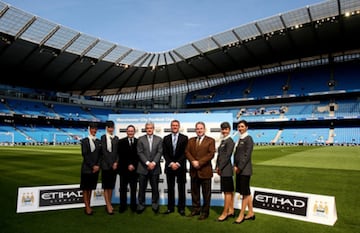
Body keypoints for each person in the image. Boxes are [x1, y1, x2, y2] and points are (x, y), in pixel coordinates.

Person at [185, 121, 216, 220]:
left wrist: (200, 162)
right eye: (197, 129)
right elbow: (187, 152)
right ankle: (196, 209)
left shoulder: (210, 140)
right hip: (194, 171)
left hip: (205, 171)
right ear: (195, 130)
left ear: (204, 129)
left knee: (206, 194)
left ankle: (205, 212)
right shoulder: (190, 140)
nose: (199, 130)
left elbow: (211, 154)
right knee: (195, 192)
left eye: (201, 128)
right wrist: (193, 161)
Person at [162, 120, 188, 216]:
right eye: (173, 125)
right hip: (169, 167)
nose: (175, 127)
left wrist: (177, 163)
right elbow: (164, 153)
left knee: (181, 188)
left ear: (179, 126)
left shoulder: (184, 138)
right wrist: (171, 163)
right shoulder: (166, 138)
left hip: (180, 167)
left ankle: (181, 208)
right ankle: (170, 208)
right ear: (170, 127)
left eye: (176, 125)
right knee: (170, 188)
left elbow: (185, 153)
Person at [136, 121, 163, 214]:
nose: (149, 130)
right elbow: (139, 152)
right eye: (147, 128)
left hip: (155, 169)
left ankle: (155, 205)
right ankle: (141, 205)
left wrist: (154, 163)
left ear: (153, 129)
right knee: (142, 188)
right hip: (143, 168)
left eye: (151, 128)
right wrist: (148, 163)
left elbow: (160, 152)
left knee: (155, 188)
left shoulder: (159, 139)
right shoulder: (140, 139)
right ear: (145, 129)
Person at [233, 120, 255, 224]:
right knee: (246, 191)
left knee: (244, 193)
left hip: (244, 170)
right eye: (239, 127)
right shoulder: (240, 138)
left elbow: (247, 156)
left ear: (246, 127)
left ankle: (242, 214)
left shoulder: (248, 138)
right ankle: (251, 213)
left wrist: (239, 167)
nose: (240, 128)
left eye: (242, 126)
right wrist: (235, 165)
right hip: (239, 169)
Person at [215, 122, 235, 222]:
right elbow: (219, 156)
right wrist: (216, 166)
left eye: (226, 129)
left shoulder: (230, 141)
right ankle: (231, 210)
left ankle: (225, 213)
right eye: (222, 129)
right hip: (223, 169)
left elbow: (227, 157)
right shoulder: (223, 141)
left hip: (226, 170)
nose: (224, 131)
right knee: (229, 191)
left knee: (227, 192)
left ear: (229, 129)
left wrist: (220, 167)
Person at [80, 122, 101, 215]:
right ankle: (87, 207)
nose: (94, 130)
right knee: (85, 189)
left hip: (96, 169)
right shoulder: (84, 141)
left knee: (91, 188)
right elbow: (85, 155)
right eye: (92, 129)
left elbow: (100, 155)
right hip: (87, 168)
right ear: (89, 129)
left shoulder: (98, 141)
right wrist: (93, 165)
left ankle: (89, 205)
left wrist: (98, 165)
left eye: (95, 129)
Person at [118, 125, 139, 213]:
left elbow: (139, 156)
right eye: (129, 131)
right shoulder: (121, 142)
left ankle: (133, 206)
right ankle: (123, 206)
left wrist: (133, 165)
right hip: (124, 170)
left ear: (134, 132)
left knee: (133, 189)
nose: (130, 132)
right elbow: (120, 156)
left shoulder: (138, 142)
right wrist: (128, 165)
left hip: (134, 170)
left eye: (132, 131)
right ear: (126, 132)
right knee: (123, 189)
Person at [100, 120, 119, 215]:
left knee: (111, 186)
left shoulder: (116, 138)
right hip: (106, 166)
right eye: (109, 127)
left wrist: (116, 162)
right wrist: (111, 163)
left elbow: (118, 153)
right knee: (106, 186)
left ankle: (109, 203)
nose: (111, 129)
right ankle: (108, 205)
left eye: (112, 127)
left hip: (114, 166)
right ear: (106, 128)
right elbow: (104, 152)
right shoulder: (103, 138)